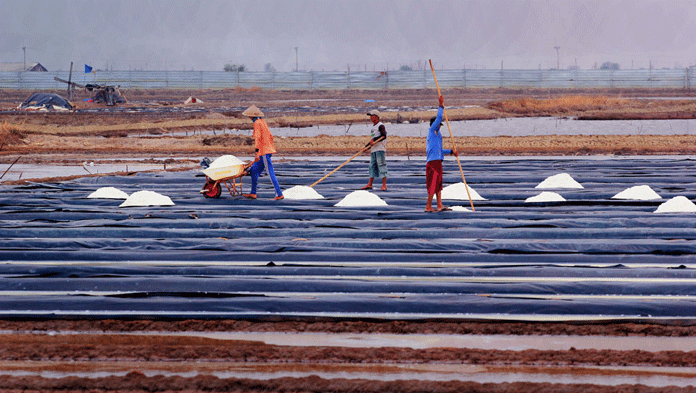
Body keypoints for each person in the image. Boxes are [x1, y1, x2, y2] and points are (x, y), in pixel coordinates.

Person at [241, 105, 284, 200]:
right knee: (254, 170)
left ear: (252, 115)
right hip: (266, 151)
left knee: (270, 172)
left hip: (264, 152)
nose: (249, 117)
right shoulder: (263, 122)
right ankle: (253, 193)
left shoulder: (257, 123)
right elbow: (270, 136)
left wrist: (257, 152)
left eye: (249, 116)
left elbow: (257, 138)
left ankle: (279, 194)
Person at [425, 95, 458, 212]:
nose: (440, 126)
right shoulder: (431, 132)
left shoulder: (438, 135)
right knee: (433, 183)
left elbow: (440, 150)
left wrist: (451, 152)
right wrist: (441, 105)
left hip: (438, 161)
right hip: (432, 162)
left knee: (439, 184)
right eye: (439, 124)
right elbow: (439, 117)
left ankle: (439, 205)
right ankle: (428, 206)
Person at [362, 109, 388, 191]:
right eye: (370, 116)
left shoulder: (381, 125)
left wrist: (374, 140)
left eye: (372, 116)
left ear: (376, 117)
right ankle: (370, 184)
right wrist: (366, 147)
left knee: (381, 165)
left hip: (380, 149)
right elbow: (372, 140)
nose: (371, 117)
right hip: (374, 149)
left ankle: (384, 185)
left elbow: (383, 135)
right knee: (372, 166)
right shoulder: (373, 127)